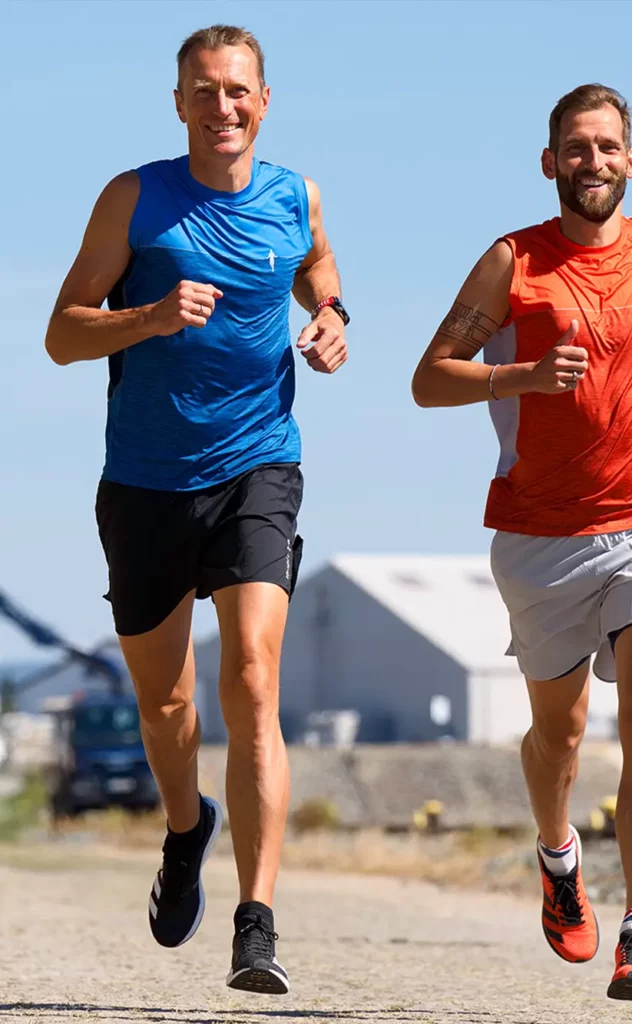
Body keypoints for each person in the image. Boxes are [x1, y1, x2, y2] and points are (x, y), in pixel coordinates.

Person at [45, 24, 349, 995]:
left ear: (265, 101)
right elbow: (61, 333)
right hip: (143, 482)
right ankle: (187, 829)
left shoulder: (293, 195)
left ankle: (256, 923)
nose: (224, 106)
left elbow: (317, 265)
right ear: (179, 104)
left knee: (253, 678)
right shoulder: (134, 199)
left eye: (239, 91)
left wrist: (334, 316)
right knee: (166, 701)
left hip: (258, 464)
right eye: (205, 91)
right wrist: (149, 314)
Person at [411, 83, 632, 1004]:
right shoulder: (514, 262)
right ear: (551, 163)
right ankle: (558, 856)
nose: (593, 162)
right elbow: (430, 380)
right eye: (575, 149)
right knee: (562, 732)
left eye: (608, 147)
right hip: (544, 534)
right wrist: (526, 375)